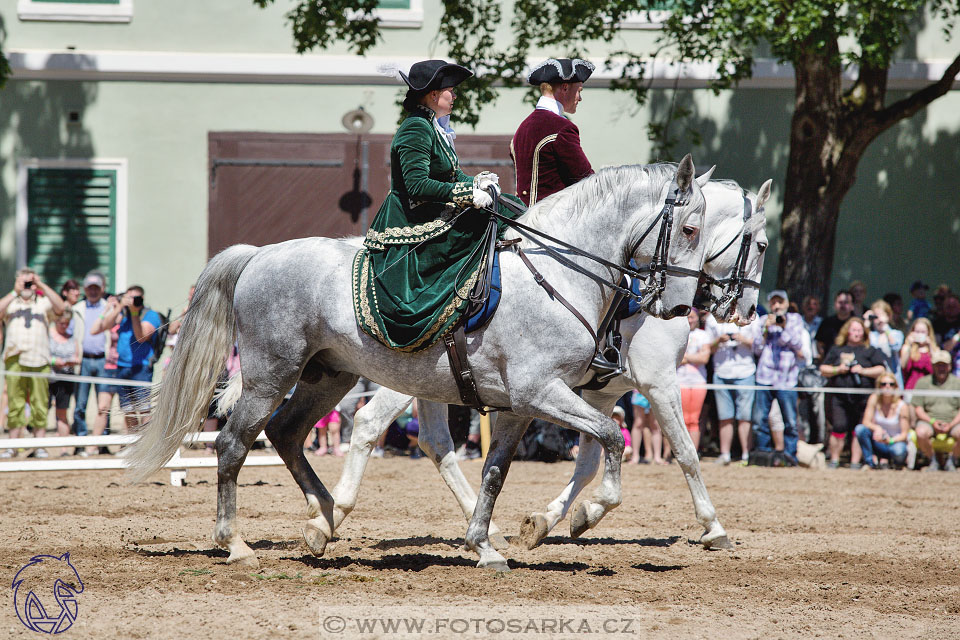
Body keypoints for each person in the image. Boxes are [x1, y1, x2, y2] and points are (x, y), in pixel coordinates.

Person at [354, 59, 522, 351]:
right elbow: (418, 185)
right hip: (413, 219)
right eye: (451, 91)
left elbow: (450, 174)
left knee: (509, 206)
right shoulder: (415, 129)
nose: (455, 96)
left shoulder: (433, 127)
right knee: (484, 223)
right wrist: (466, 193)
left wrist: (475, 183)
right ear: (433, 94)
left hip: (433, 211)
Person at [510, 58, 595, 206]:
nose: (580, 98)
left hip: (522, 218)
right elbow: (587, 181)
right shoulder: (562, 128)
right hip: (549, 224)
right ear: (565, 88)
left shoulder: (522, 128)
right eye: (579, 91)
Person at [0, 268, 65, 459]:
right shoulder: (12, 303)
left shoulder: (43, 303)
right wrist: (15, 291)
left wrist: (41, 285)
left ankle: (39, 446)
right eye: (24, 281)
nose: (27, 286)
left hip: (39, 359)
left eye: (30, 282)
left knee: (39, 404)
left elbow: (61, 308)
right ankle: (12, 446)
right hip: (15, 359)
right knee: (15, 404)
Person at [819, 317, 887, 468]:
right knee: (839, 426)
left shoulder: (870, 350)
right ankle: (835, 460)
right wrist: (838, 369)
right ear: (847, 331)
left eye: (859, 330)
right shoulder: (837, 349)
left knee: (858, 429)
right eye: (854, 330)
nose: (856, 333)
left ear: (864, 332)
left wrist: (863, 371)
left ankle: (855, 462)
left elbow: (881, 369)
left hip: (863, 398)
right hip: (840, 397)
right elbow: (823, 369)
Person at [91, 285, 161, 431]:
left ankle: (146, 442)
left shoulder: (150, 315)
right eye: (128, 298)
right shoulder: (123, 314)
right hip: (122, 366)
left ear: (142, 298)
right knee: (128, 409)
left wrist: (135, 314)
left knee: (144, 408)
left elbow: (141, 337)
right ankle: (133, 441)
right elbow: (102, 327)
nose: (131, 301)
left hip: (141, 367)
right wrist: (118, 307)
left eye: (134, 298)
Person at [750, 290, 806, 464]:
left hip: (787, 377)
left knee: (790, 420)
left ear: (787, 304)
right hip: (765, 375)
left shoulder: (795, 319)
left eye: (780, 302)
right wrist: (765, 329)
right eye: (773, 303)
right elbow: (757, 349)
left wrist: (783, 327)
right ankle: (763, 454)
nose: (776, 306)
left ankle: (789, 456)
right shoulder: (762, 320)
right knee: (760, 419)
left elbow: (797, 344)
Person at [705, 313, 759, 465]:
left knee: (745, 417)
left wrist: (743, 340)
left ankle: (746, 455)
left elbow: (760, 346)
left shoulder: (752, 316)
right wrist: (718, 340)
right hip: (721, 372)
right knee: (724, 417)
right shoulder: (712, 318)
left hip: (746, 372)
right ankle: (725, 455)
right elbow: (708, 348)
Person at [71, 271, 112, 449]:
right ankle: (81, 441)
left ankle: (102, 442)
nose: (93, 292)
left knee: (104, 405)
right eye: (90, 288)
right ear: (85, 290)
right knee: (80, 404)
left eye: (96, 288)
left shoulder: (108, 307)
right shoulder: (77, 309)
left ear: (102, 289)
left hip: (103, 360)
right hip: (83, 361)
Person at [912, 350, 960, 471]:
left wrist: (951, 424)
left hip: (953, 422)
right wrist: (932, 421)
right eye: (938, 365)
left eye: (944, 365)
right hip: (929, 421)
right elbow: (918, 408)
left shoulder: (957, 383)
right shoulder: (923, 382)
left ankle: (952, 460)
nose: (941, 368)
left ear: (949, 366)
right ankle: (933, 460)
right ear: (933, 366)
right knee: (921, 432)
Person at [853, 373, 909, 469]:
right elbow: (865, 422)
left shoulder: (902, 406)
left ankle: (898, 464)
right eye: (883, 384)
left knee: (899, 451)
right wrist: (876, 428)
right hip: (878, 442)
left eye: (891, 384)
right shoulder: (874, 399)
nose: (887, 387)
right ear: (879, 386)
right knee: (860, 429)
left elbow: (905, 434)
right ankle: (869, 463)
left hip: (895, 443)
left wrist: (890, 440)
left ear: (895, 387)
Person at [677, 308, 711, 452]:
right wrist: (693, 357)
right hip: (680, 381)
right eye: (687, 317)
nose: (690, 320)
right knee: (682, 419)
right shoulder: (677, 335)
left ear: (697, 318)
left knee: (694, 419)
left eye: (692, 317)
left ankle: (693, 452)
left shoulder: (703, 335)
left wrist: (686, 358)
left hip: (698, 382)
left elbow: (704, 358)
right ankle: (681, 452)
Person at [48, 308, 81, 456]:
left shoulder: (72, 338)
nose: (64, 326)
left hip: (65, 380)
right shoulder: (48, 335)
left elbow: (77, 357)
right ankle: (37, 447)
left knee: (62, 414)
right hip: (48, 379)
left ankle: (64, 448)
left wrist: (70, 362)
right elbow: (42, 354)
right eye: (61, 323)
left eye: (67, 323)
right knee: (41, 412)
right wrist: (55, 361)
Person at [863, 299, 904, 386]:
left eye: (881, 315)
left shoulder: (896, 333)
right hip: (875, 380)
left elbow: (895, 347)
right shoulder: (871, 335)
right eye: (875, 317)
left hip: (892, 378)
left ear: (888, 316)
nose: (878, 320)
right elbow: (861, 345)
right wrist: (866, 322)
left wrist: (885, 329)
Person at [815, 290, 854, 361]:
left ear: (852, 306)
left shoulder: (856, 323)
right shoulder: (827, 322)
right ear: (835, 304)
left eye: (846, 303)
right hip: (830, 364)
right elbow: (819, 343)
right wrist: (826, 358)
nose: (843, 305)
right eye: (840, 302)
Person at [900, 317, 936, 391]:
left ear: (928, 333)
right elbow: (903, 365)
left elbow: (937, 365)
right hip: (911, 387)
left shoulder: (934, 348)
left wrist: (930, 346)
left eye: (923, 332)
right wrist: (910, 345)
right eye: (917, 332)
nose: (919, 334)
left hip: (929, 388)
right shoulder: (907, 347)